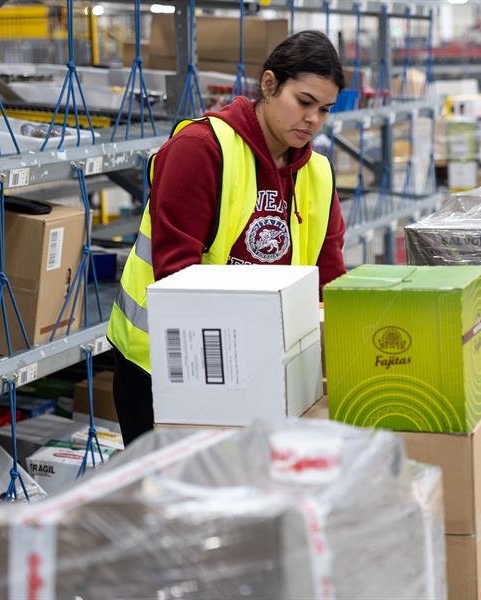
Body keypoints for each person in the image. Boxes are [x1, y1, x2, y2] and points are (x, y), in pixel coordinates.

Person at [107, 31, 347, 445]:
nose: (313, 120)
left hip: (258, 372)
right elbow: (176, 274)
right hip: (165, 367)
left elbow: (328, 280)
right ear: (269, 85)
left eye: (324, 110)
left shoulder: (318, 173)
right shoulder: (200, 149)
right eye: (304, 102)